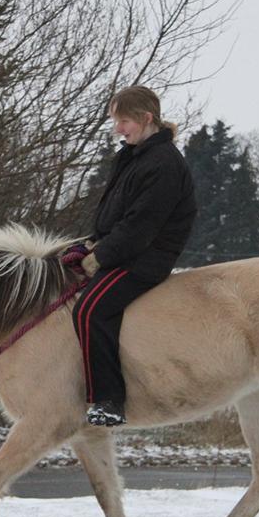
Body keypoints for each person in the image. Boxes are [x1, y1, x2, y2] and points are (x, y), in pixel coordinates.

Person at [69, 86, 197, 427]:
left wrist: (100, 257)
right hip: (123, 249)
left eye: (123, 121)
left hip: (145, 258)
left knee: (90, 310)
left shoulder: (164, 164)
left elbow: (141, 226)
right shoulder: (133, 155)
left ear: (146, 118)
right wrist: (90, 243)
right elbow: (116, 214)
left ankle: (109, 399)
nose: (118, 129)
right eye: (115, 121)